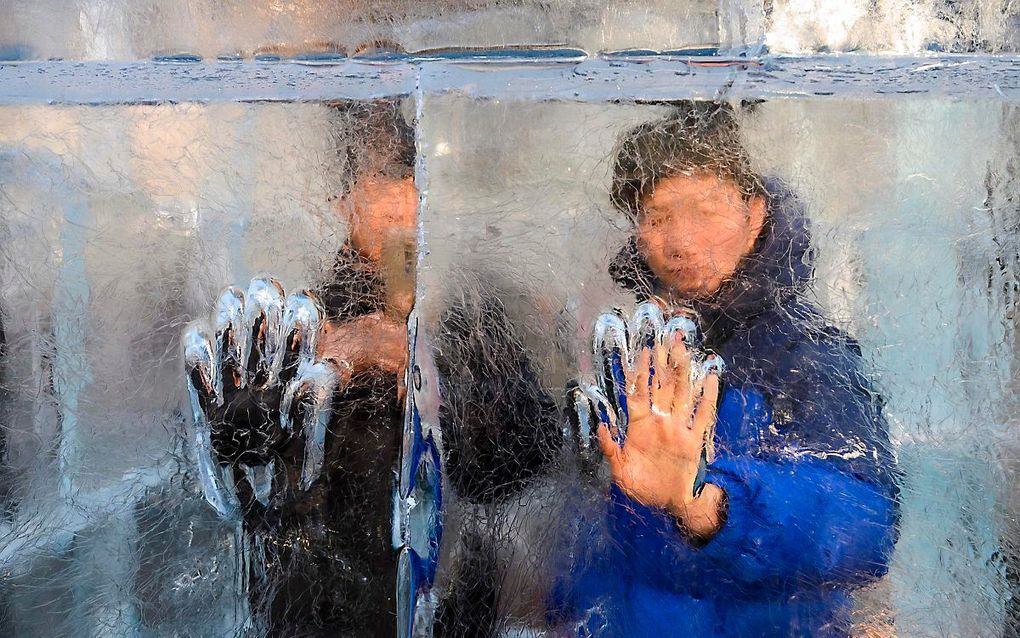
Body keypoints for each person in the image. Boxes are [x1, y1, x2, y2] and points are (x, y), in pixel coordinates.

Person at [185, 100, 560, 637]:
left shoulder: (474, 313)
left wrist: (441, 385)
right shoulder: (307, 320)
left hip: (454, 610)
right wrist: (335, 360)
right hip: (328, 609)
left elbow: (529, 467)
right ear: (343, 202)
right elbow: (254, 487)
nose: (408, 200)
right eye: (385, 180)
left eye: (417, 177)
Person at [549, 101, 900, 637]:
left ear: (755, 214)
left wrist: (710, 505)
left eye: (704, 211)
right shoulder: (633, 352)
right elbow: (598, 531)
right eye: (659, 218)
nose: (681, 241)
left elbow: (867, 524)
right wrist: (564, 608)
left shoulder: (806, 355)